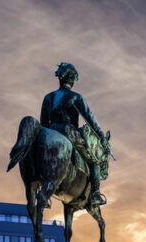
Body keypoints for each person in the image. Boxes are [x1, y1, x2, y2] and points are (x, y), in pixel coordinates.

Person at [40, 62, 108, 206]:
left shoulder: (48, 97)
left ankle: (42, 190)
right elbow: (90, 118)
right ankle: (95, 194)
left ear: (60, 78)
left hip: (50, 132)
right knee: (94, 161)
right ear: (72, 79)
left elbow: (43, 123)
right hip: (69, 132)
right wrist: (102, 137)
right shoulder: (76, 97)